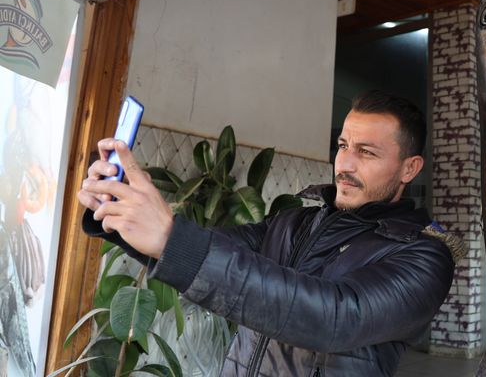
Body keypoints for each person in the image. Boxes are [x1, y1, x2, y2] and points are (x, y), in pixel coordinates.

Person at [77, 90, 461, 377]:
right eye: (343, 145)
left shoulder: (424, 256)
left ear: (409, 169)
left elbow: (335, 317)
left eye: (367, 152)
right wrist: (120, 215)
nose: (344, 164)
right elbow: (206, 251)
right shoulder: (293, 222)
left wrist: (170, 238)